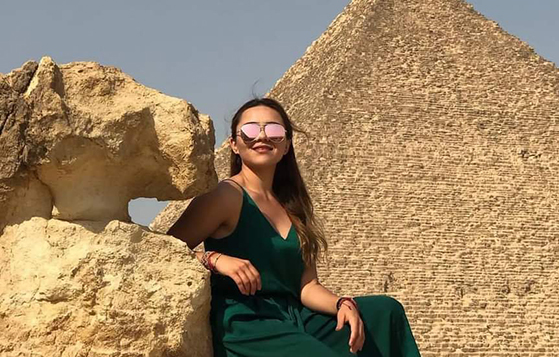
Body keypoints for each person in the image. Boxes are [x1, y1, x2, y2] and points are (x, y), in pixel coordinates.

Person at [167, 97, 422, 356]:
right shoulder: (225, 195)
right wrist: (214, 259)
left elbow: (307, 286)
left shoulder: (293, 206)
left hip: (295, 315)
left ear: (287, 144)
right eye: (251, 129)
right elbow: (163, 251)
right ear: (234, 143)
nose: (262, 136)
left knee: (385, 312)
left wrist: (341, 303)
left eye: (274, 130)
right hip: (248, 321)